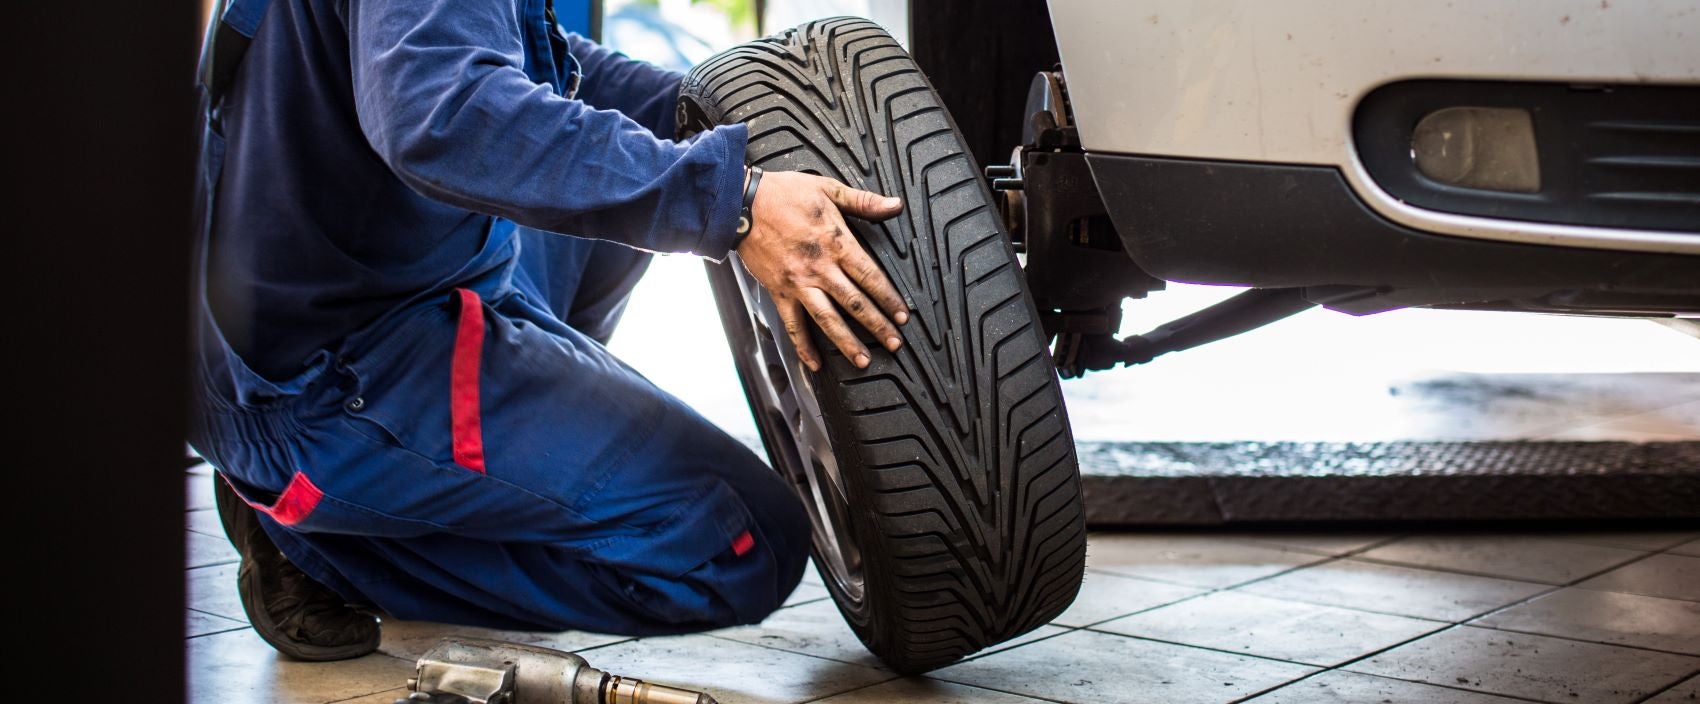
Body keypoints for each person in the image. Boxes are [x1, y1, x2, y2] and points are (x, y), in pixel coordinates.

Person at [192, 0, 909, 661]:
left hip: (369, 277)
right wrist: (736, 201)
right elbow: (442, 113)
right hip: (325, 371)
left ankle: (478, 474)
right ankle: (315, 534)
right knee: (748, 543)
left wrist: (717, 116)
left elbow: (538, 63)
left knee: (615, 193)